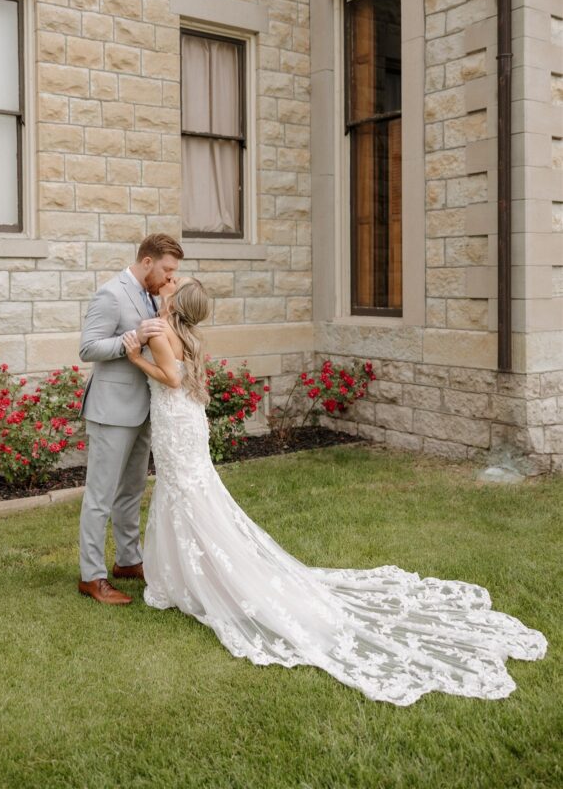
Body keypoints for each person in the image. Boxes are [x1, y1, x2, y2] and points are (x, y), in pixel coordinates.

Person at [122, 278, 547, 706]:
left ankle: (203, 578)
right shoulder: (182, 331)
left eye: (174, 285)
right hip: (185, 422)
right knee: (187, 495)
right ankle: (186, 575)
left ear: (176, 304)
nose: (168, 284)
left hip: (176, 419)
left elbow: (172, 379)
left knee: (187, 496)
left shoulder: (160, 331)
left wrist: (135, 358)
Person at [77, 233, 183, 605]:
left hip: (144, 407)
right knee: (99, 496)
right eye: (167, 269)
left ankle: (128, 559)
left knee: (132, 491)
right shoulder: (110, 293)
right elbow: (88, 347)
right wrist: (133, 337)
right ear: (148, 261)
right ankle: (92, 576)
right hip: (111, 410)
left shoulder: (155, 294)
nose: (170, 278)